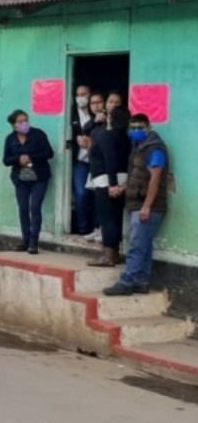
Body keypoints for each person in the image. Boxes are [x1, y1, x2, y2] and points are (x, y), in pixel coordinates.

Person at [103, 114, 169, 296]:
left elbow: (155, 179)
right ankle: (141, 281)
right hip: (137, 203)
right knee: (144, 245)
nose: (135, 131)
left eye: (140, 127)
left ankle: (127, 282)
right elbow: (139, 177)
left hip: (148, 206)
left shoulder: (155, 149)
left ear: (149, 128)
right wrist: (124, 187)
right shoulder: (139, 147)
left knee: (137, 245)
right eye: (132, 128)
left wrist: (147, 206)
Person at [3, 109, 55, 255]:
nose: (24, 123)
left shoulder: (38, 134)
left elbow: (49, 153)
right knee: (23, 208)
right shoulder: (10, 139)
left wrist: (31, 157)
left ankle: (33, 242)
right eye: (20, 121)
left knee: (35, 207)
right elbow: (6, 160)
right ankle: (25, 240)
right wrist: (18, 159)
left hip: (39, 177)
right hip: (21, 179)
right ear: (14, 125)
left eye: (26, 120)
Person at [87, 106, 132, 267]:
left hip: (107, 180)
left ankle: (108, 255)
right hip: (122, 178)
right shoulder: (126, 137)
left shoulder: (107, 135)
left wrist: (112, 184)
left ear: (112, 119)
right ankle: (115, 253)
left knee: (107, 219)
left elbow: (110, 159)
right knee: (116, 217)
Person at [81, 93, 108, 242]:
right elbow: (85, 130)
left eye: (99, 102)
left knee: (106, 201)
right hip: (94, 165)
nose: (96, 106)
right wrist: (95, 122)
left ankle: (106, 230)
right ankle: (97, 228)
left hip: (108, 166)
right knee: (96, 198)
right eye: (93, 103)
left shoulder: (111, 119)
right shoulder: (93, 122)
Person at [71, 85, 94, 236]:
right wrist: (76, 139)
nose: (80, 97)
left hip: (96, 162)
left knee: (97, 196)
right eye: (78, 94)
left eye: (84, 94)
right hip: (80, 162)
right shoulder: (71, 114)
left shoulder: (97, 113)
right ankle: (82, 229)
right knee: (81, 195)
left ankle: (97, 229)